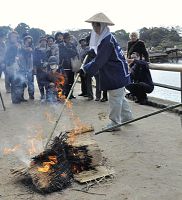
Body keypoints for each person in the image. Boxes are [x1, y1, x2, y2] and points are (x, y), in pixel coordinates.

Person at [81, 12, 132, 131]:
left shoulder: (107, 41)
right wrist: (93, 53)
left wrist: (85, 69)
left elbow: (99, 61)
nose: (95, 28)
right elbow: (100, 56)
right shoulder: (107, 37)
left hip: (115, 73)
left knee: (115, 97)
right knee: (119, 96)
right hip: (116, 72)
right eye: (93, 25)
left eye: (97, 25)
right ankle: (127, 117)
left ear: (102, 25)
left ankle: (115, 123)